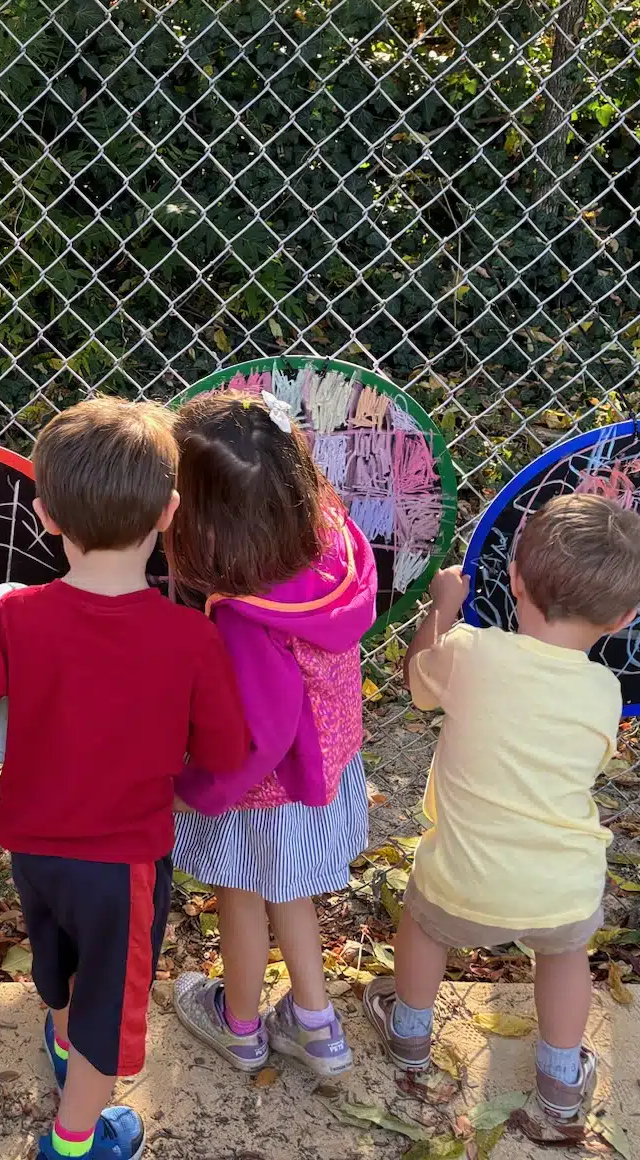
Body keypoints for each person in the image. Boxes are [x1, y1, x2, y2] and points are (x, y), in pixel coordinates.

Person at [0, 398, 250, 1160]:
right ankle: (75, 1141)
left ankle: (66, 1040)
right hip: (123, 863)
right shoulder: (190, 636)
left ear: (45, 514)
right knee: (113, 1004)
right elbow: (228, 749)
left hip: (35, 852)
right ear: (170, 512)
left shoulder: (16, 618)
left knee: (63, 964)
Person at [362, 494, 640, 1144]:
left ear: (515, 580)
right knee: (564, 955)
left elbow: (416, 683)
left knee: (423, 921)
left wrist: (442, 607)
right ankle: (559, 1084)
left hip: (461, 880)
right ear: (624, 618)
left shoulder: (470, 651)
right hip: (561, 890)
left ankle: (409, 1034)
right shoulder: (606, 692)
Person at [164, 388, 375, 1078]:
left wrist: (197, 791)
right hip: (324, 771)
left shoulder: (247, 620)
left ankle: (241, 1024)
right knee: (290, 895)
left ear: (211, 526)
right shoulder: (335, 544)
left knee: (243, 899)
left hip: (262, 792)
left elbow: (256, 739)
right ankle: (317, 1026)